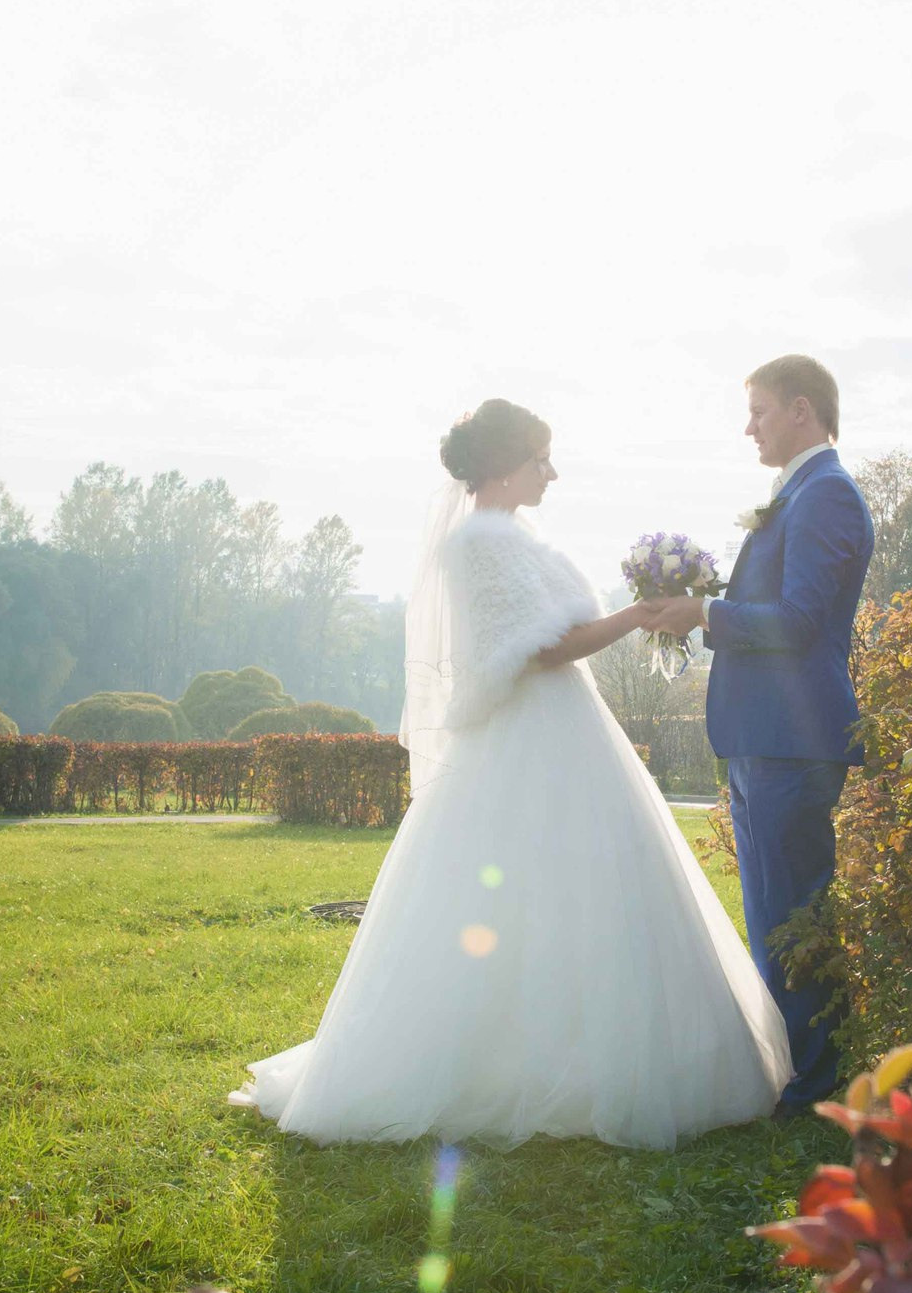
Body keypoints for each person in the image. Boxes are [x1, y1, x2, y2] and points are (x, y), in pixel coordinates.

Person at [229, 399, 789, 1148]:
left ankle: (580, 1056)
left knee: (586, 888)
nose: (551, 473)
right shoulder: (479, 542)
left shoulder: (516, 537)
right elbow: (536, 647)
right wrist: (633, 617)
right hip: (526, 735)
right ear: (502, 465)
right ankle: (512, 1067)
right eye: (540, 460)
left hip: (566, 727)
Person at [638, 356, 872, 1108]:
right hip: (763, 736)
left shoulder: (827, 494)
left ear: (801, 410)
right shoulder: (801, 492)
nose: (750, 427)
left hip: (791, 739)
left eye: (759, 412)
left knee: (792, 912)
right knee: (774, 911)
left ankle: (813, 1080)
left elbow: (799, 622)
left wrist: (704, 613)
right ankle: (795, 1067)